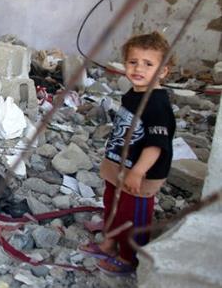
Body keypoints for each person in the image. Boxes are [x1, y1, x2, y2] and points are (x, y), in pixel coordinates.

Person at [78, 32, 176, 276]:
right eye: (133, 62)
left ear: (163, 71)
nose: (138, 68)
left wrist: (138, 172)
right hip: (120, 168)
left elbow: (156, 145)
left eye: (148, 64)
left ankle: (129, 257)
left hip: (138, 175)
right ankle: (109, 244)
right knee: (113, 206)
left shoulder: (156, 105)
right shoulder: (134, 94)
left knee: (133, 216)